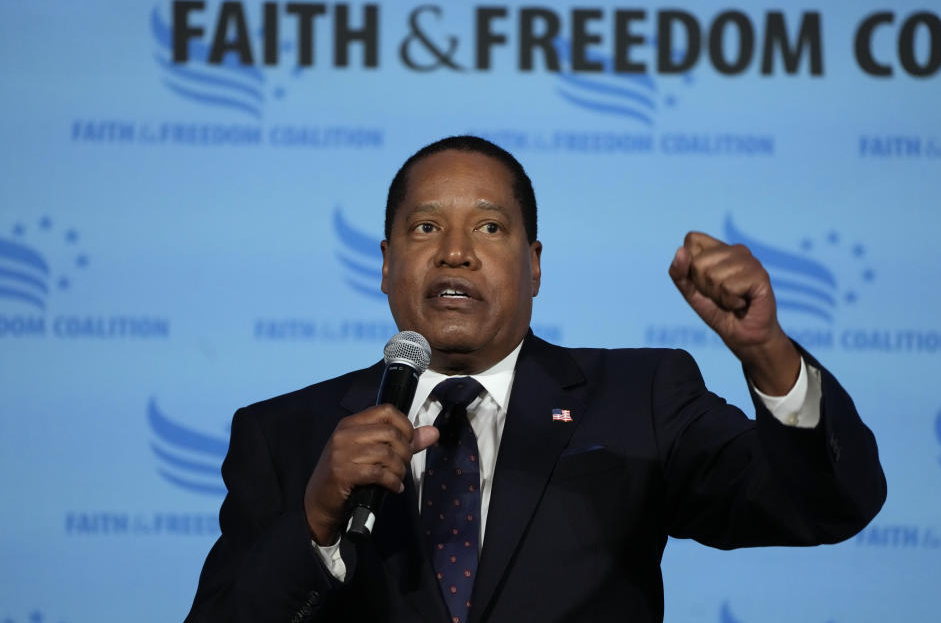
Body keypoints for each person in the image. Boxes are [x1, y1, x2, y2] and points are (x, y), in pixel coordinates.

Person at [185, 135, 885, 623]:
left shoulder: (641, 399)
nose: (455, 253)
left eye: (489, 229)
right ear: (385, 263)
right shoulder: (284, 435)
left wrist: (768, 355)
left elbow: (826, 506)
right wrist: (315, 522)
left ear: (536, 265)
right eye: (426, 228)